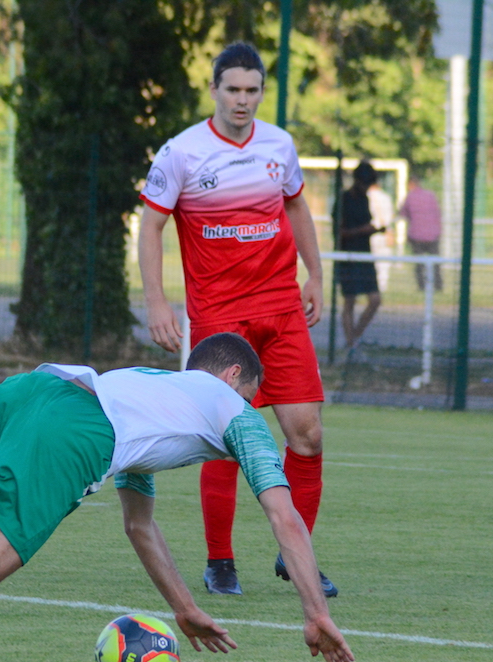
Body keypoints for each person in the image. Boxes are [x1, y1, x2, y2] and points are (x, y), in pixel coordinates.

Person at [0, 332, 355, 662]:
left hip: (32, 389)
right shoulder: (236, 416)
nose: (250, 408)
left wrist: (185, 607)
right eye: (250, 394)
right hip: (78, 426)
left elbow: (139, 525)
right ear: (233, 377)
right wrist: (316, 613)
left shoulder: (157, 393)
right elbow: (282, 514)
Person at [137, 42, 336, 598]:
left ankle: (296, 555)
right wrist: (156, 301)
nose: (243, 100)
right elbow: (151, 226)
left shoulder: (280, 146)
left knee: (309, 436)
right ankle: (219, 561)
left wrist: (314, 275)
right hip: (221, 317)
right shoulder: (182, 152)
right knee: (225, 436)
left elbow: (296, 205)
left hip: (281, 309)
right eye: (233, 90)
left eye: (253, 90)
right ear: (215, 90)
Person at [336, 161, 384, 351]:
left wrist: (373, 230)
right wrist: (361, 230)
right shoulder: (344, 199)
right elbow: (340, 232)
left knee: (375, 299)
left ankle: (353, 338)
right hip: (347, 257)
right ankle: (351, 344)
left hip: (364, 255)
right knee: (349, 301)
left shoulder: (365, 200)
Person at [399, 175, 443, 292]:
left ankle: (421, 286)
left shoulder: (410, 197)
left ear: (410, 185)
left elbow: (402, 213)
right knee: (435, 263)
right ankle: (438, 286)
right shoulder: (430, 195)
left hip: (417, 235)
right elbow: (437, 212)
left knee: (419, 263)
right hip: (433, 235)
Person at [367, 177, 395, 293]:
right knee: (383, 264)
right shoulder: (386, 197)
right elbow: (389, 218)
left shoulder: (365, 197)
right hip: (382, 234)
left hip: (370, 234)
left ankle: (370, 288)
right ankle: (381, 287)